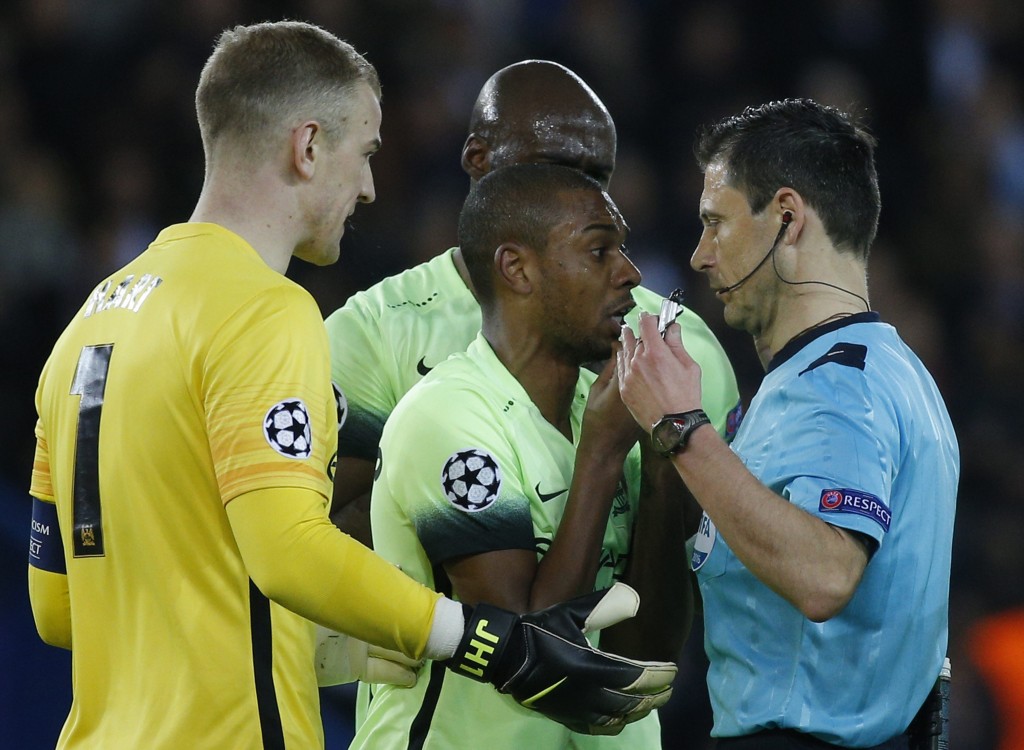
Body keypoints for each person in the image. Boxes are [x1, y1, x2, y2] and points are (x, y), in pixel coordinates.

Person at [25, 21, 676, 748]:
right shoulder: (262, 310)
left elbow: (59, 605)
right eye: (364, 153)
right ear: (307, 148)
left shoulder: (88, 325)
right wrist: (483, 639)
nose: (368, 187)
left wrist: (336, 646)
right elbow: (292, 550)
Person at [616, 98, 959, 749]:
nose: (699, 255)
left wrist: (681, 427)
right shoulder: (884, 372)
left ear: (787, 218)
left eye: (716, 224)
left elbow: (825, 575)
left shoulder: (838, 385)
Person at [324, 59, 742, 546]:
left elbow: (717, 554)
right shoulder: (373, 332)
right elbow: (312, 535)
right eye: (555, 167)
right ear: (478, 159)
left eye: (597, 177)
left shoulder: (684, 348)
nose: (579, 193)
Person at [349, 163, 686, 749]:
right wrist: (602, 456)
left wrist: (662, 457)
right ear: (518, 269)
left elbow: (652, 654)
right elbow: (530, 657)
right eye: (600, 251)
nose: (630, 274)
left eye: (624, 251)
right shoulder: (449, 416)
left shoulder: (609, 408)